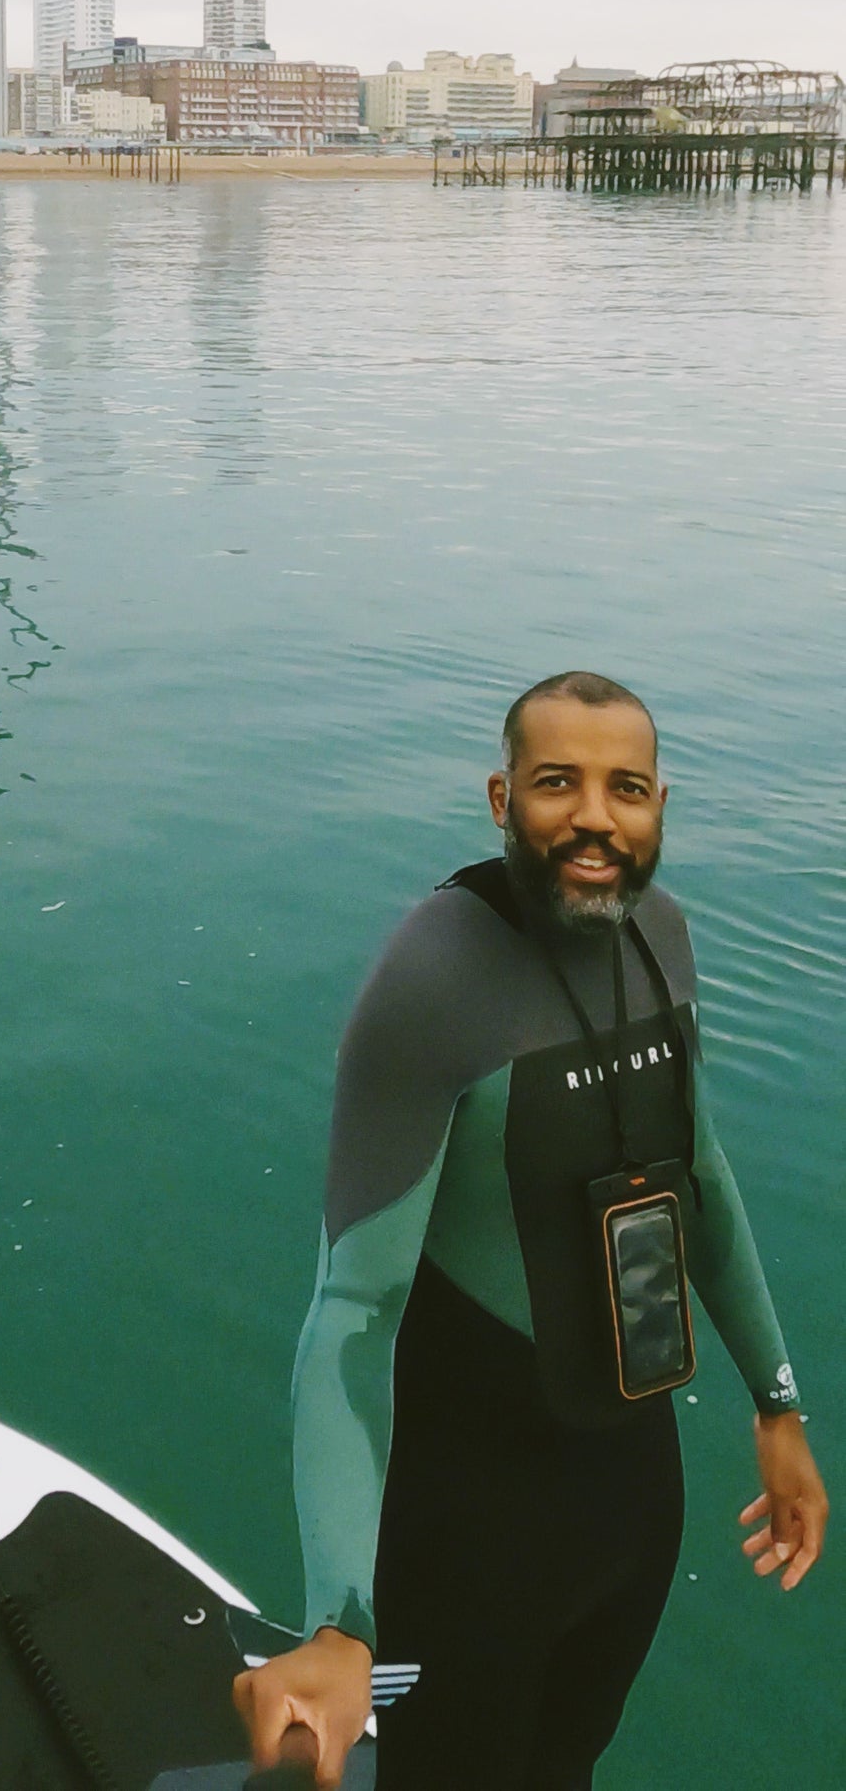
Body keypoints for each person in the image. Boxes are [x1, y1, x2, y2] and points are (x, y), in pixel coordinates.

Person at [234, 672, 828, 1790]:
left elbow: (698, 1173)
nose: (595, 816)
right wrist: (339, 1621)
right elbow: (355, 1311)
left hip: (631, 1494)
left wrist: (777, 1403)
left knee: (567, 1765)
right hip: (468, 1523)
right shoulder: (435, 977)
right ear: (502, 796)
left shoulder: (664, 934)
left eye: (627, 789)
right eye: (559, 783)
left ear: (661, 806)